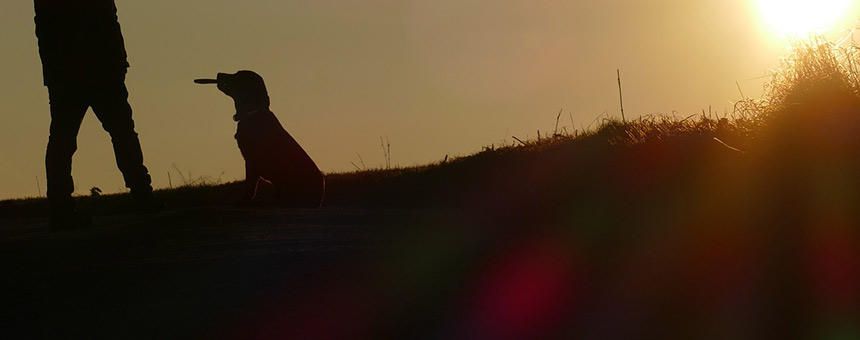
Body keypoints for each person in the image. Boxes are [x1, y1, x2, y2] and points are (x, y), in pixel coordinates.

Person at [34, 0, 160, 230]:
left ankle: (61, 208)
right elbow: (107, 20)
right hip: (94, 72)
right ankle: (142, 195)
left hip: (78, 73)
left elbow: (46, 30)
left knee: (67, 140)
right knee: (117, 133)